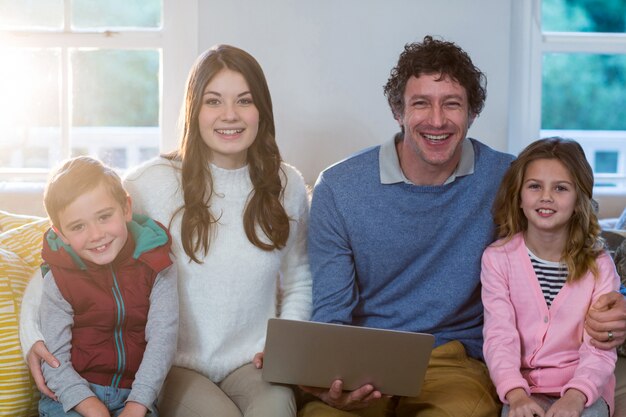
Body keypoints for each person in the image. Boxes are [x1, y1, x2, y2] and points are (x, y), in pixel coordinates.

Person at [300, 35, 626, 417]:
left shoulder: (508, 178)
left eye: (451, 104)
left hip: (454, 360)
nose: (436, 121)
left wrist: (619, 302)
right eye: (421, 103)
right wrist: (329, 379)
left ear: (472, 113)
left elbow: (575, 241)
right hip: (364, 361)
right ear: (397, 111)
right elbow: (330, 312)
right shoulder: (339, 187)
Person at [21, 45, 312, 417]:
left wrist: (283, 346)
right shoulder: (150, 184)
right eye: (213, 101)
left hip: (252, 363)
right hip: (170, 365)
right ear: (194, 109)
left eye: (244, 100)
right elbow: (63, 262)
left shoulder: (286, 185)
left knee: (276, 412)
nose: (229, 115)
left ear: (262, 111)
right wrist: (33, 338)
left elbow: (299, 276)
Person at [481, 137, 619, 417]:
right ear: (519, 197)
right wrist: (516, 395)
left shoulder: (600, 266)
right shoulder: (497, 259)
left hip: (585, 390)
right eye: (534, 186)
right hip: (523, 389)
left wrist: (576, 397)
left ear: (579, 200)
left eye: (560, 188)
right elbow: (499, 337)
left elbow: (599, 348)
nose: (546, 197)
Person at [35, 156, 178, 417]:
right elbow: (53, 356)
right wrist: (90, 406)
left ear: (126, 208)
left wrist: (138, 404)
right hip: (71, 398)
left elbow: (162, 340)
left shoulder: (155, 262)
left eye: (104, 217)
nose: (96, 235)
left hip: (135, 396)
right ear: (61, 234)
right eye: (78, 226)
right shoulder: (59, 277)